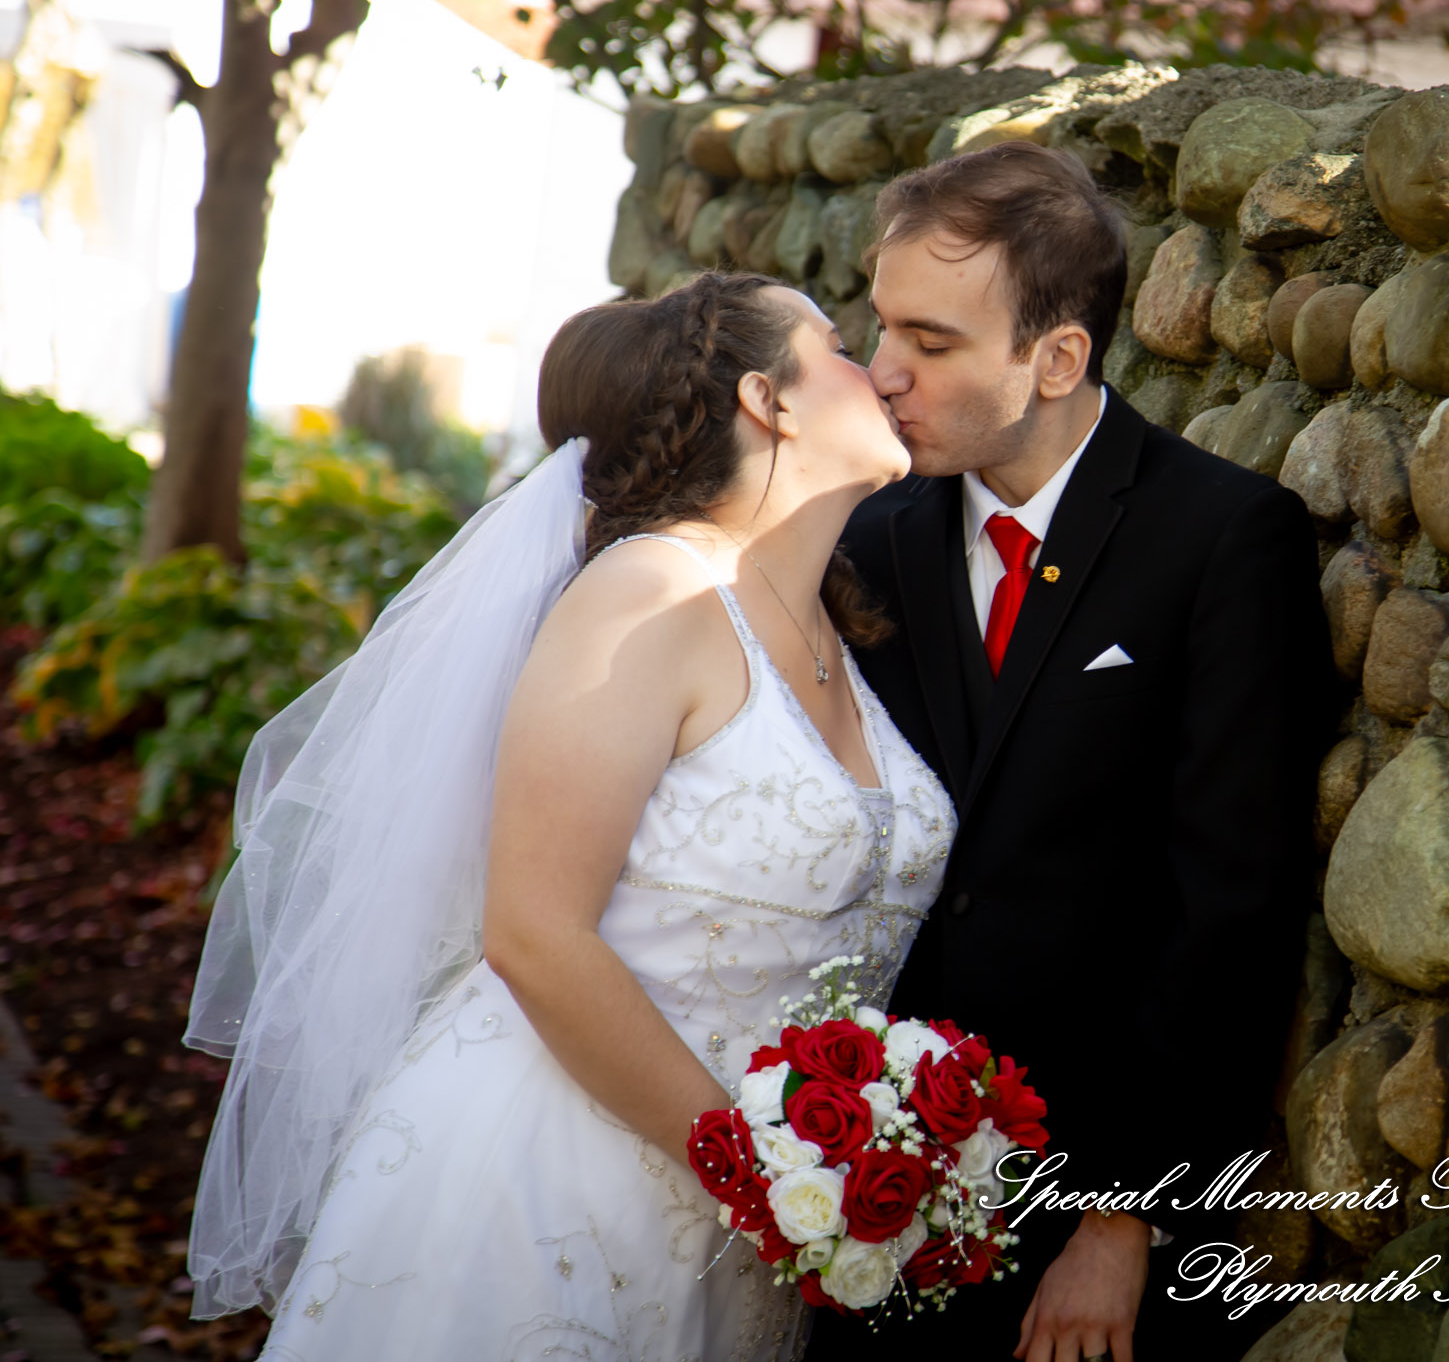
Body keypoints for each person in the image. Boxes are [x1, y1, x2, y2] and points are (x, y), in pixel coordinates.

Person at [182, 272, 956, 1361]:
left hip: (751, 1220)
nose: (875, 367)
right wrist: (755, 1173)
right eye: (836, 346)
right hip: (549, 1189)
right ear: (767, 400)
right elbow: (535, 935)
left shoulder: (824, 620)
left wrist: (818, 1176)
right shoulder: (647, 595)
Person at [806, 142, 1340, 1362]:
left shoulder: (1223, 541)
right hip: (860, 1185)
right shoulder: (870, 533)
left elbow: (1231, 906)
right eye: (882, 329)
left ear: (1057, 358)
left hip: (1090, 1203)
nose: (881, 375)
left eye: (931, 345)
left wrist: (1123, 1214)